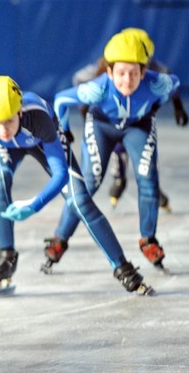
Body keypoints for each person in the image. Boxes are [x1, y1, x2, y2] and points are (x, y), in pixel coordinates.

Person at [0, 75, 154, 296]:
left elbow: (61, 175)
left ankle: (123, 267)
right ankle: (6, 256)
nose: (3, 130)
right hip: (5, 150)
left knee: (80, 201)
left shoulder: (38, 118)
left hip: (42, 142)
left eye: (8, 120)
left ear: (19, 111)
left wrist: (34, 205)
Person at [44, 31, 181, 272]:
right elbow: (60, 100)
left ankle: (148, 240)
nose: (127, 81)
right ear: (109, 72)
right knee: (87, 183)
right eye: (120, 74)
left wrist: (153, 107)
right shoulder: (97, 89)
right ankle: (60, 238)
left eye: (134, 73)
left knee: (148, 180)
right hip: (102, 127)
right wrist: (64, 130)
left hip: (138, 126)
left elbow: (174, 84)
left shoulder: (157, 82)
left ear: (144, 71)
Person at [70, 27, 188, 212]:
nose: (134, 74)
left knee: (144, 161)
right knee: (117, 148)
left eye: (143, 64)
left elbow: (171, 85)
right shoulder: (103, 69)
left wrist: (176, 106)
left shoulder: (154, 70)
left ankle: (144, 187)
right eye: (123, 70)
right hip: (109, 119)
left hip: (136, 120)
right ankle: (120, 179)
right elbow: (78, 81)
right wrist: (87, 112)